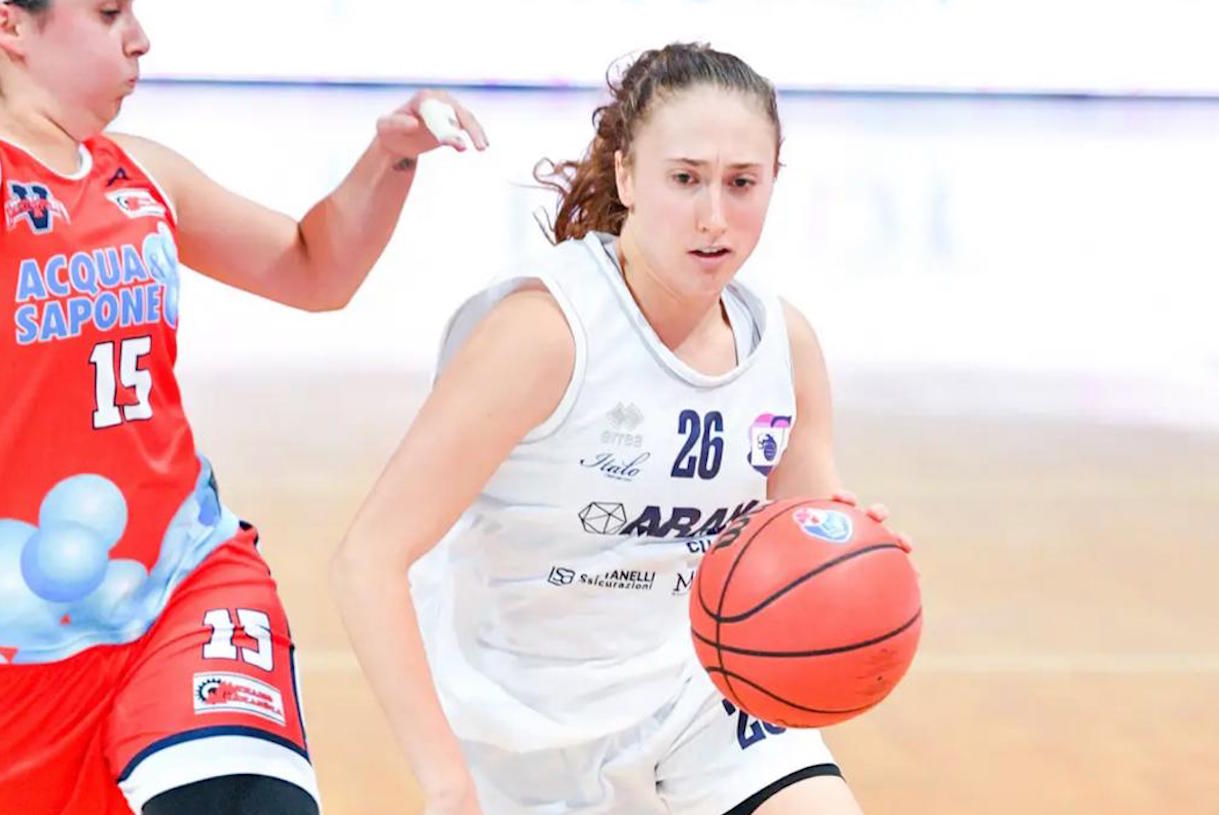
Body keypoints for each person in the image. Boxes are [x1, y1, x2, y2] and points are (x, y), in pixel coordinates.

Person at [333, 42, 905, 815]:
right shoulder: (544, 334)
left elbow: (809, 535)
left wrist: (858, 555)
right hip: (530, 727)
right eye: (685, 178)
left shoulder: (783, 344)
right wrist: (444, 783)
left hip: (703, 697)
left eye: (742, 183)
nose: (714, 216)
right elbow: (367, 557)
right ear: (628, 176)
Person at [0, 1, 488, 813]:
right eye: (108, 12)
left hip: (183, 582)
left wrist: (390, 154)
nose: (139, 37)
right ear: (12, 26)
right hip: (29, 643)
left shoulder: (143, 174)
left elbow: (314, 268)